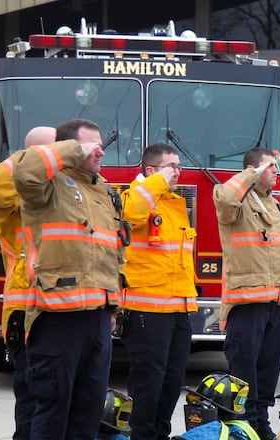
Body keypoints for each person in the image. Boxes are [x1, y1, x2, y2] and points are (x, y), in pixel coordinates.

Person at [12, 118, 126, 439]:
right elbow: (23, 171)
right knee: (52, 409)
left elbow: (113, 253)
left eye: (101, 144)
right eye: (92, 146)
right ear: (69, 149)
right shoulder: (47, 184)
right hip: (58, 317)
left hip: (99, 318)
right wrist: (73, 150)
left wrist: (113, 307)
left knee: (89, 410)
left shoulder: (104, 191)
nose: (100, 151)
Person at [213, 147, 280, 440]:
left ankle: (261, 420)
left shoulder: (274, 206)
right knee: (244, 368)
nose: (277, 171)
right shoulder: (235, 202)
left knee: (268, 369)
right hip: (247, 301)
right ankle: (244, 421)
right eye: (270, 167)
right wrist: (252, 173)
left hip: (277, 302)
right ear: (250, 170)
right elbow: (225, 197)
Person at [0, 125, 56, 440]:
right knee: (32, 394)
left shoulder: (62, 189)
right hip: (25, 309)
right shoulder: (13, 190)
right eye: (54, 150)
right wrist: (29, 158)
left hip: (64, 307)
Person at [119, 143, 198, 439]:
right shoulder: (135, 197)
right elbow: (130, 213)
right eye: (171, 166)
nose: (178, 172)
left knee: (170, 383)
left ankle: (159, 435)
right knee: (148, 385)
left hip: (178, 310)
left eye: (179, 166)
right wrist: (157, 181)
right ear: (151, 171)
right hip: (146, 312)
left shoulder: (174, 205)